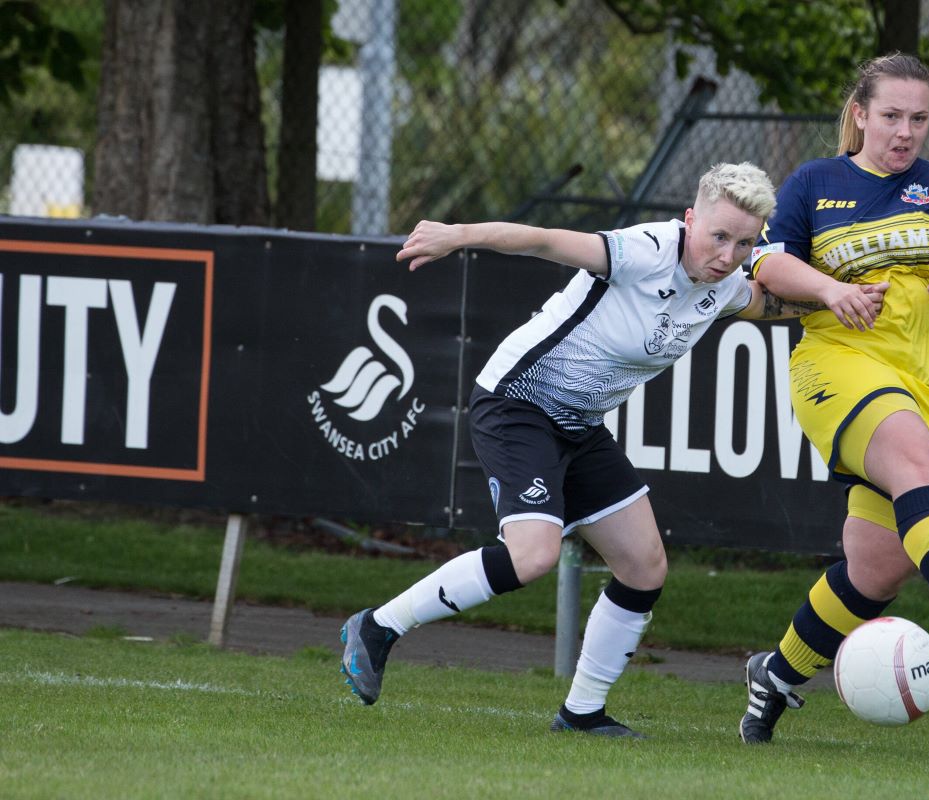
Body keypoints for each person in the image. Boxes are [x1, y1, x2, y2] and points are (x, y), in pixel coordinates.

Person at [338, 162, 888, 738]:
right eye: (718, 236)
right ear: (690, 219)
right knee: (532, 556)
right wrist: (457, 235)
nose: (727, 254)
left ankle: (580, 714)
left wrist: (840, 296)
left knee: (644, 566)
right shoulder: (644, 249)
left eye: (745, 243)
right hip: (517, 403)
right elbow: (543, 240)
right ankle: (378, 627)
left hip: (579, 425)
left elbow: (765, 303)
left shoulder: (725, 286)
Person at [737, 53, 929, 745]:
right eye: (891, 116)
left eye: (920, 118)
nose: (906, 132)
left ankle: (776, 677)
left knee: (876, 568)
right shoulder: (817, 182)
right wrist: (831, 290)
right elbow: (768, 261)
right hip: (841, 362)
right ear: (859, 115)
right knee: (914, 462)